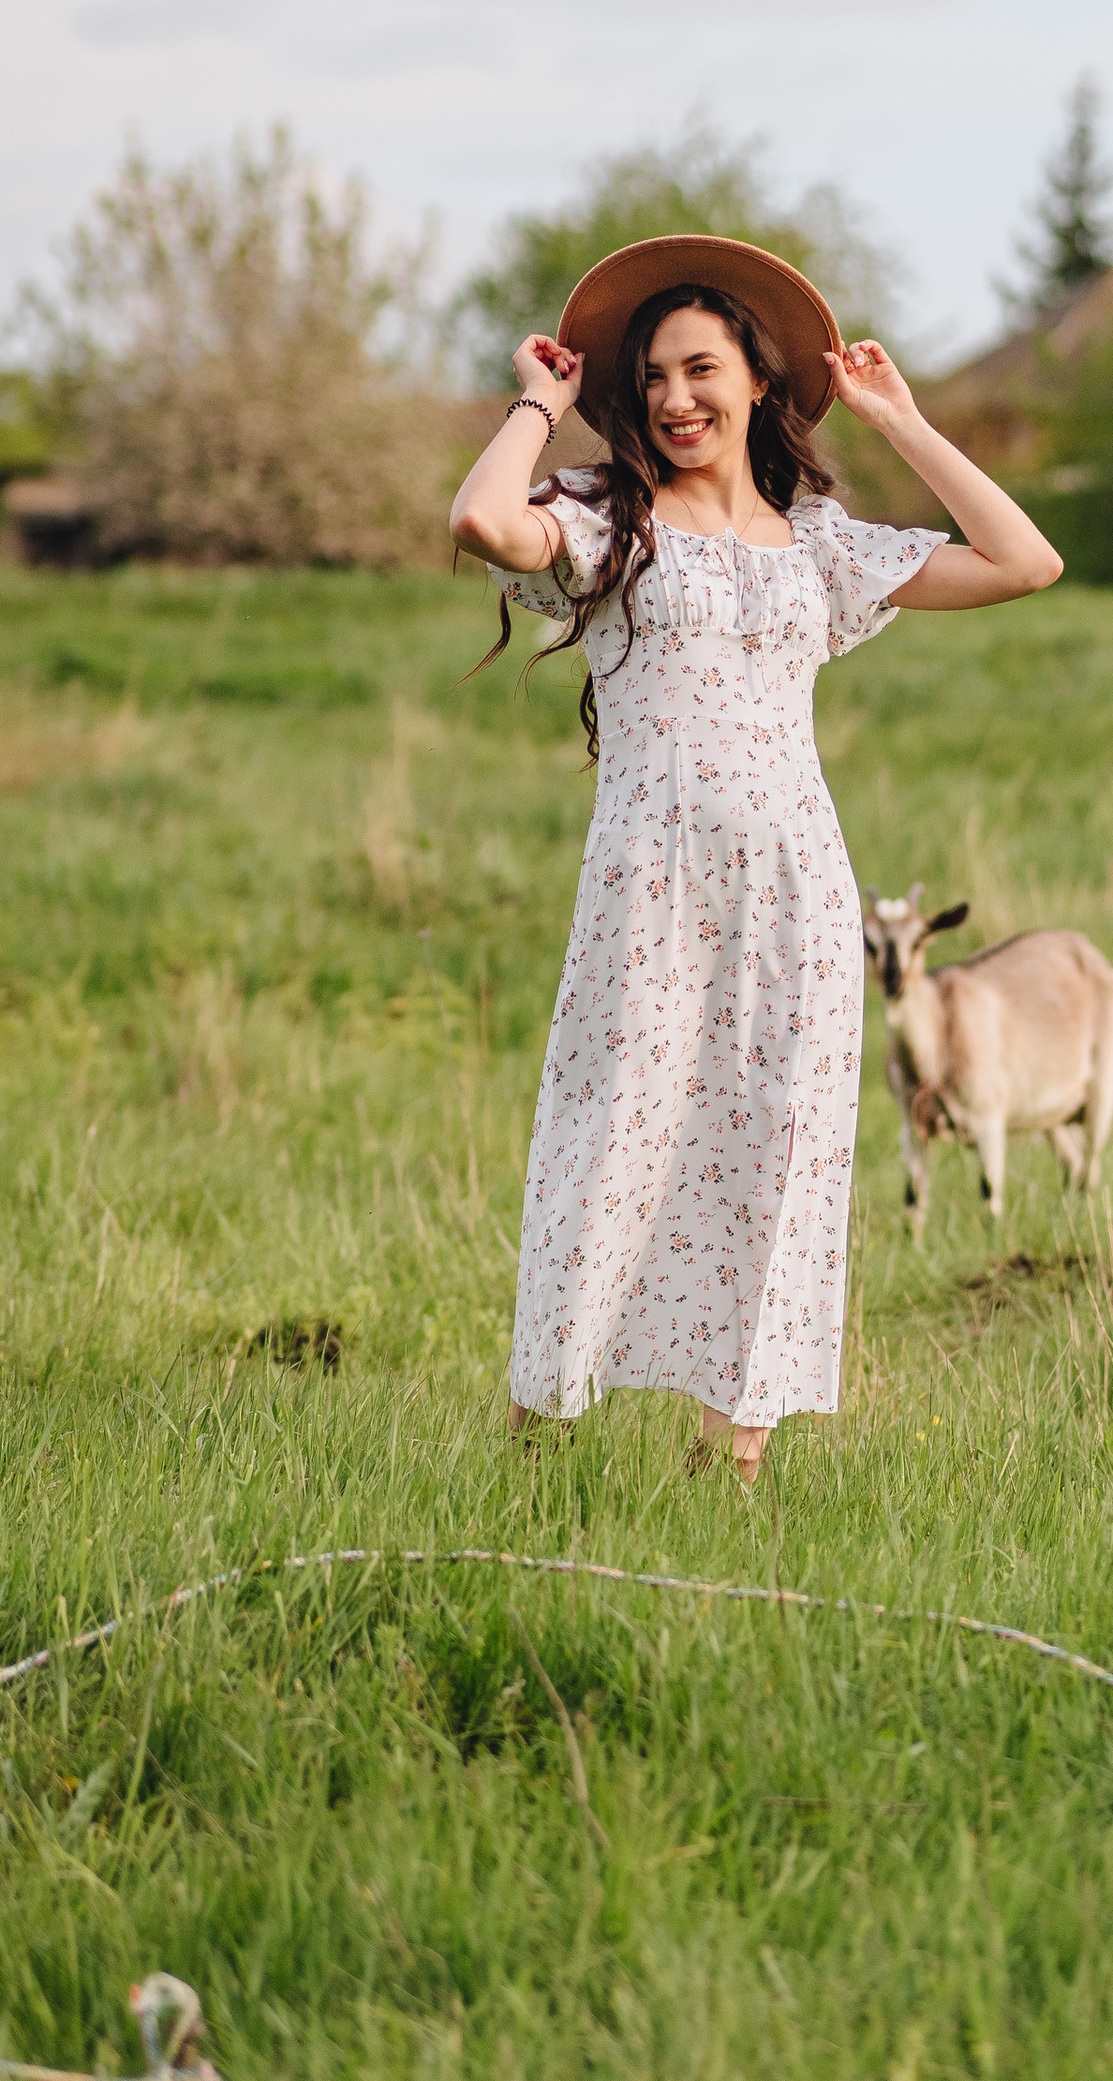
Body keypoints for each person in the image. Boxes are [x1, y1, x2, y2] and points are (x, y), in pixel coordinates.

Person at [448, 232, 1063, 1479]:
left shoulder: (822, 542)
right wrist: (539, 400)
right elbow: (477, 518)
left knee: (780, 1149)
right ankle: (537, 1436)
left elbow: (1024, 561)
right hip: (650, 888)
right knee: (610, 1138)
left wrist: (899, 419)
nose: (676, 399)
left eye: (700, 370)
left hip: (799, 894)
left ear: (757, 382)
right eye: (654, 380)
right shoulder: (600, 518)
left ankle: (730, 1457)